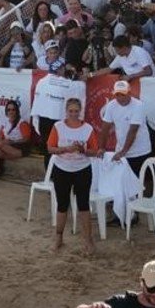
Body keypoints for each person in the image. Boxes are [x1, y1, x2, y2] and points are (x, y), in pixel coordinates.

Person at [48, 96, 99, 254]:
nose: (74, 114)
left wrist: (82, 150)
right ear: (66, 111)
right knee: (62, 205)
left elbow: (94, 151)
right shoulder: (58, 126)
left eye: (76, 111)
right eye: (71, 111)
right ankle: (58, 237)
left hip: (82, 169)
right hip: (62, 168)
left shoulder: (88, 129)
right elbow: (50, 148)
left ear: (80, 111)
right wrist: (65, 149)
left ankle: (88, 240)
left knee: (83, 205)